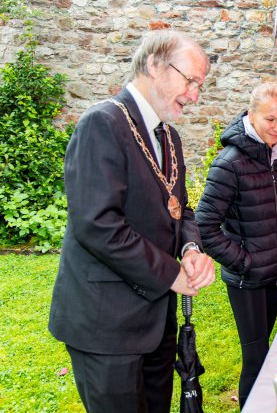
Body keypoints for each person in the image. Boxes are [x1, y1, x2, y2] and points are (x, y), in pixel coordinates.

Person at [48, 30, 216, 413]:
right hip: (107, 326)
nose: (194, 95)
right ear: (154, 65)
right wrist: (171, 274)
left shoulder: (169, 137)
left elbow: (181, 209)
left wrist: (190, 248)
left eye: (199, 85)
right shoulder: (102, 123)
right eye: (189, 80)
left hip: (156, 322)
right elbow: (97, 224)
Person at [195, 82, 277, 408]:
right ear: (251, 115)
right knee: (256, 355)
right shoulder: (229, 163)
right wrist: (245, 262)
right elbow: (204, 225)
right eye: (270, 119)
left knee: (266, 350)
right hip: (248, 279)